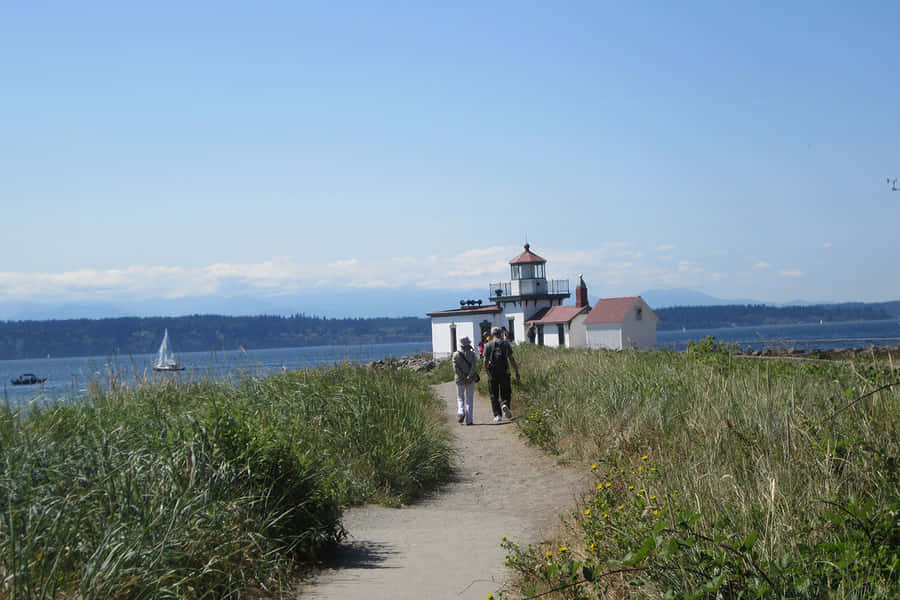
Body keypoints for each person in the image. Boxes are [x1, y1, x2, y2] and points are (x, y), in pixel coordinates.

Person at [482, 326, 520, 422]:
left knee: (493, 394)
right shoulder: (506, 344)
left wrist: (487, 371)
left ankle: (497, 415)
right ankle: (505, 404)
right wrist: (516, 371)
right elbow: (511, 359)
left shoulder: (488, 345)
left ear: (492, 334)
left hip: (493, 372)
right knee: (506, 391)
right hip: (505, 371)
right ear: (500, 333)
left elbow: (485, 360)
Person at [452, 336, 479, 425]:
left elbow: (455, 368)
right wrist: (468, 376)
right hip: (470, 379)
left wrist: (462, 376)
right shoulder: (472, 354)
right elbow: (473, 367)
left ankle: (461, 411)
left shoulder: (455, 354)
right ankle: (469, 420)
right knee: (469, 399)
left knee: (460, 397)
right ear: (468, 344)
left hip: (459, 379)